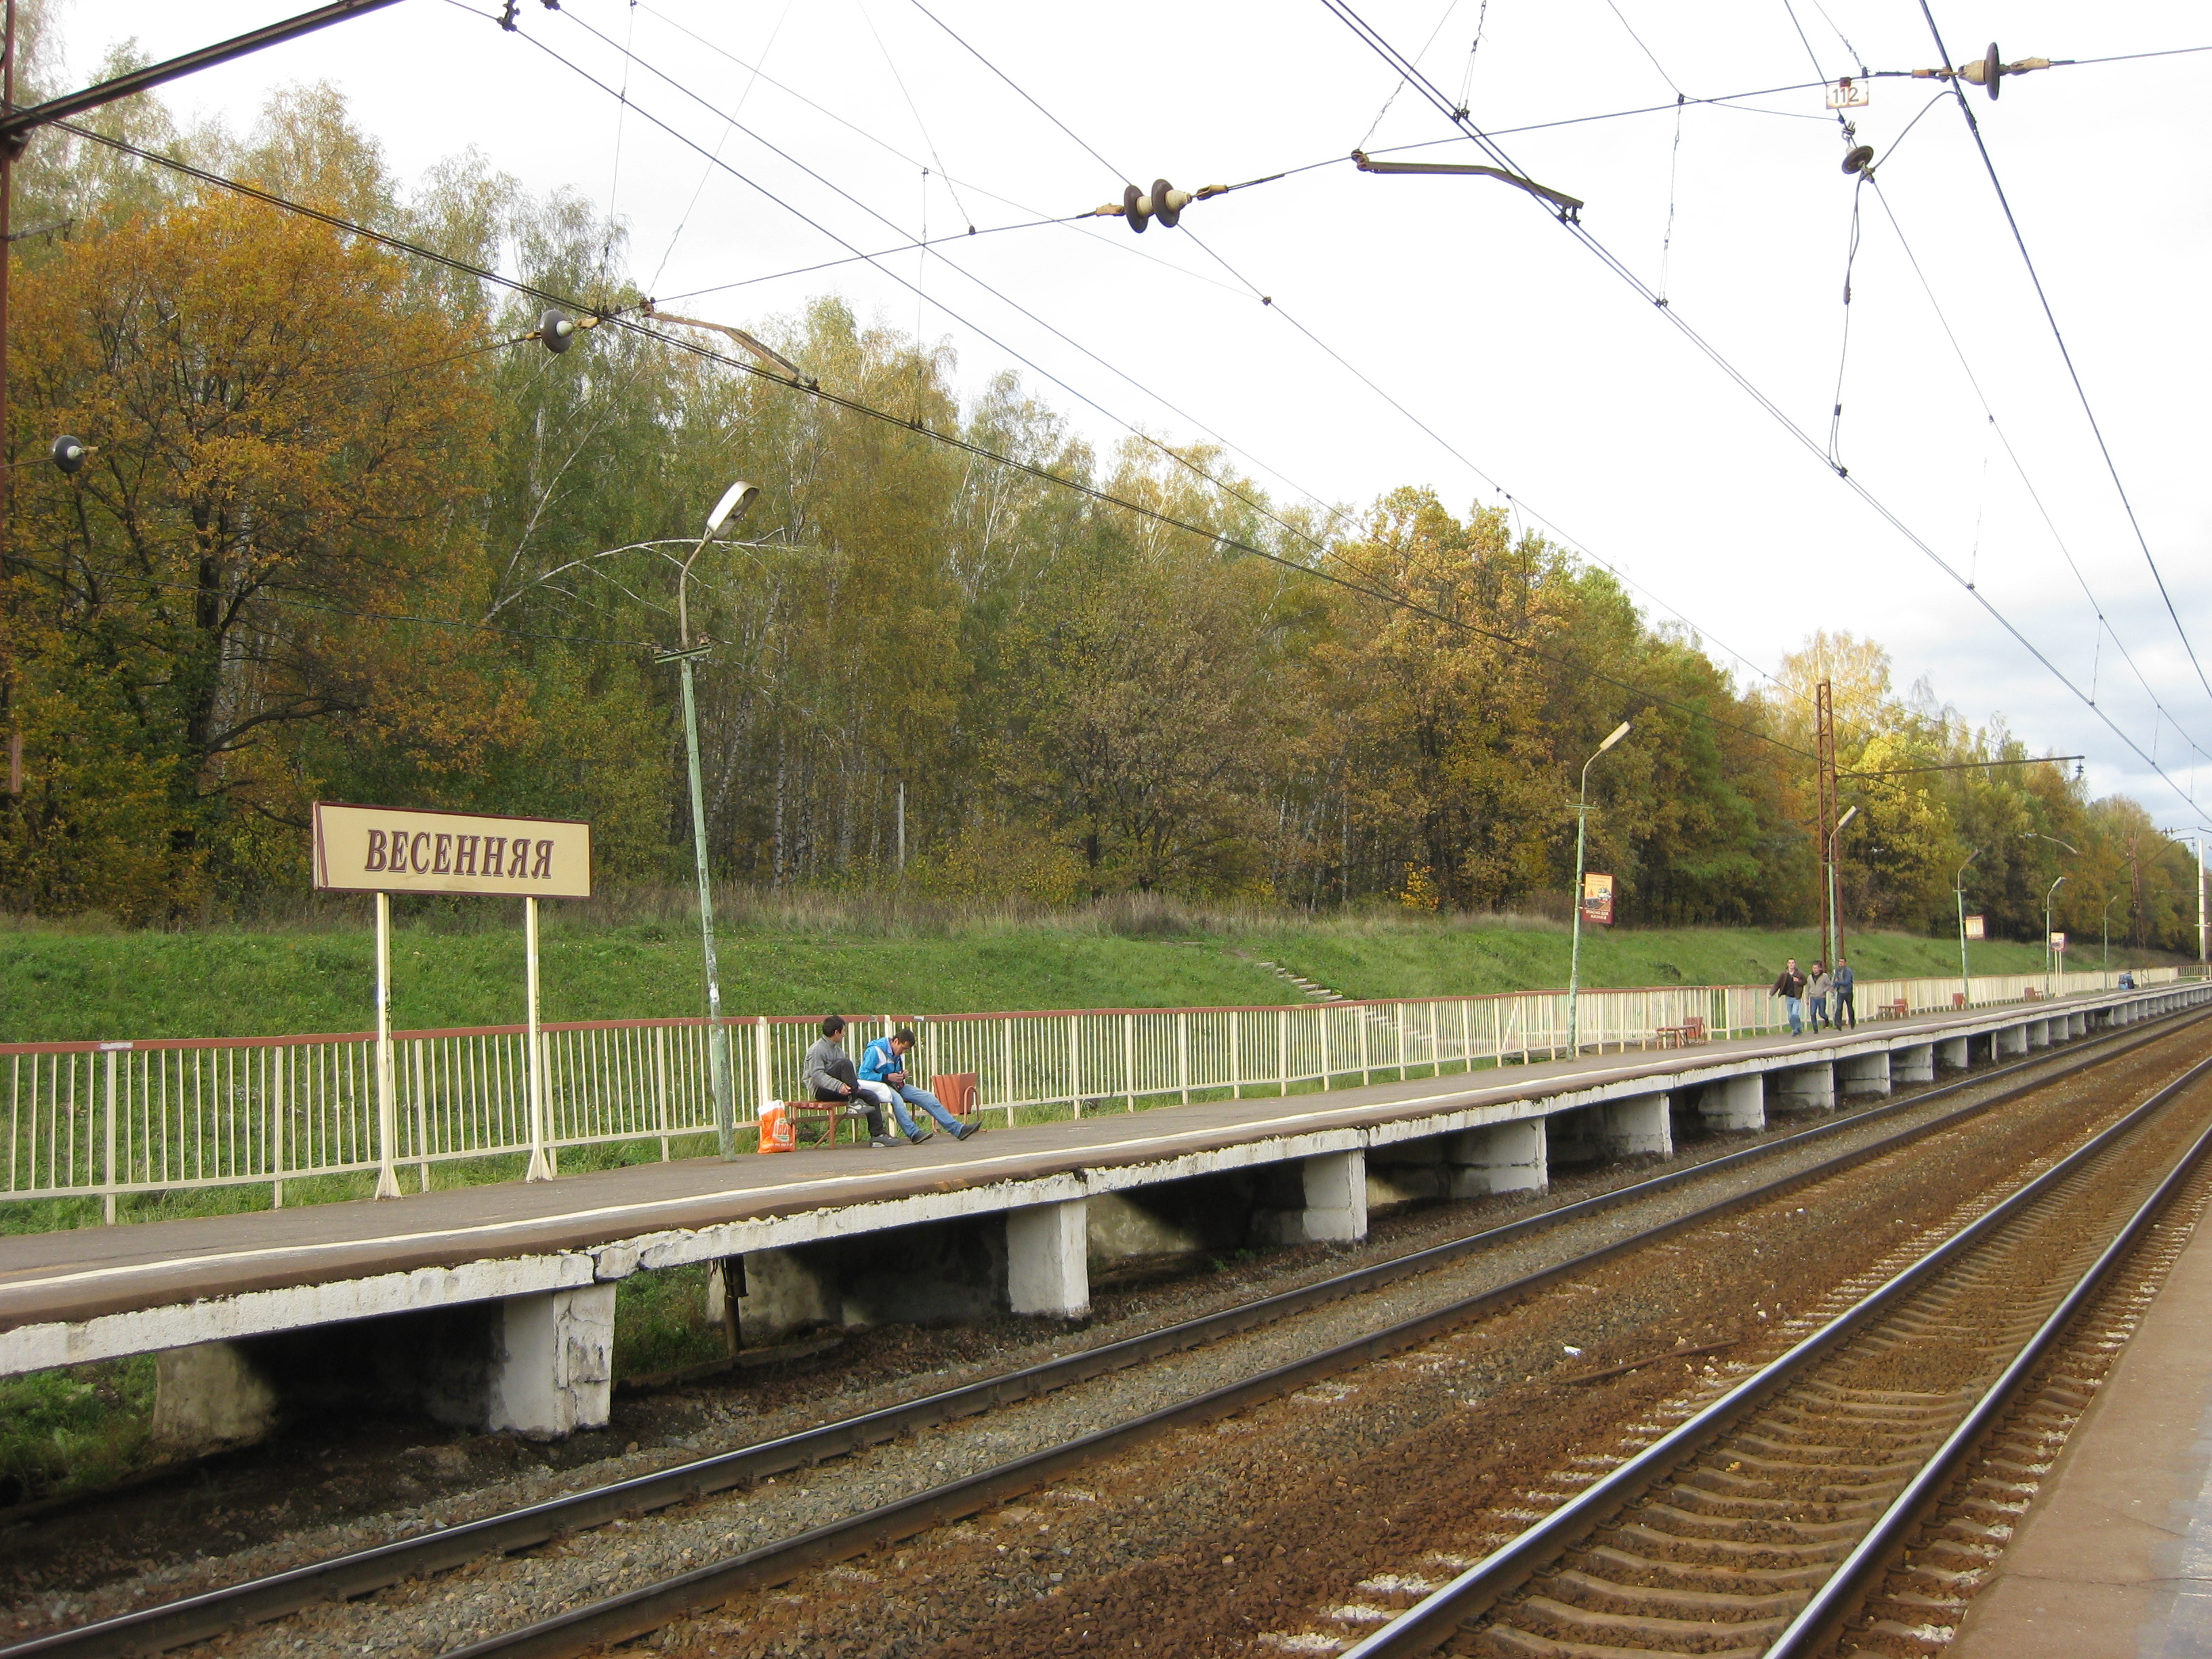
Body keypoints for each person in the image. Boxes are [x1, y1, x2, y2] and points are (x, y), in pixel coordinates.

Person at [859, 1027, 979, 1143]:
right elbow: (863, 1075)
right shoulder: (875, 1050)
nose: (904, 1052)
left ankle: (958, 1129)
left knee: (928, 1097)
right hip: (879, 1087)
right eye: (903, 1048)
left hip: (894, 1085)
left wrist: (902, 1074)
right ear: (896, 1041)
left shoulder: (897, 1052)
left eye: (906, 1050)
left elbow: (893, 1073)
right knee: (898, 1101)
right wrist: (886, 1077)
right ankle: (914, 1133)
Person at [802, 1015, 899, 1149]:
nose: (845, 1034)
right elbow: (817, 1075)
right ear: (836, 1032)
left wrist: (855, 1087)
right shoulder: (817, 1049)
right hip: (821, 1090)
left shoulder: (838, 1051)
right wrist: (839, 1086)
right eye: (843, 1031)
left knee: (871, 1096)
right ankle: (853, 1101)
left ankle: (877, 1136)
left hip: (842, 1090)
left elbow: (845, 1075)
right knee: (845, 1063)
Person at [1771, 958, 1808, 1035]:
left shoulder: (1799, 973)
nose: (1791, 964)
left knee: (1795, 1014)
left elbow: (1805, 981)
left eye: (1792, 963)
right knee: (1790, 1016)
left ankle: (1798, 1027)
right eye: (1790, 963)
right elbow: (1778, 984)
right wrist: (1771, 994)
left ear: (1795, 964)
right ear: (1787, 964)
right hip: (1788, 997)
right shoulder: (1784, 974)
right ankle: (1795, 1030)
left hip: (1796, 997)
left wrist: (1798, 981)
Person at [1808, 962, 1833, 1031]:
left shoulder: (1824, 976)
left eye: (1816, 968)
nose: (1815, 970)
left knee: (1821, 1013)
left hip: (1821, 997)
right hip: (1813, 997)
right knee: (1812, 1013)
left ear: (1819, 968)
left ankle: (1826, 1019)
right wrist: (1807, 998)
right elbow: (1808, 987)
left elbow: (1829, 984)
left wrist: (1824, 990)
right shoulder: (1810, 977)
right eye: (1814, 968)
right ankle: (1815, 1028)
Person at [1832, 957, 1856, 1029]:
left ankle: (1852, 1021)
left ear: (1845, 963)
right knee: (1839, 1007)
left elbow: (1847, 982)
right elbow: (1835, 979)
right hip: (1840, 992)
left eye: (1842, 962)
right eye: (1840, 962)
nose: (1840, 963)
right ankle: (1838, 1023)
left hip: (1848, 992)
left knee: (1849, 1007)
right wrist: (1833, 986)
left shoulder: (1848, 971)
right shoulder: (1837, 971)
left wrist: (1838, 982)